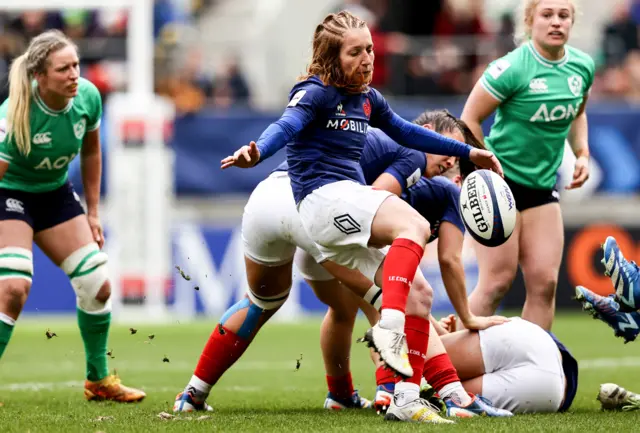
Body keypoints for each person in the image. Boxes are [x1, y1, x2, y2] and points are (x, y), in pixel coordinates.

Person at [221, 11, 502, 402]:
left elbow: (407, 130)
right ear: (333, 57)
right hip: (319, 206)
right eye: (355, 52)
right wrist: (258, 151)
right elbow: (286, 126)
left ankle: (404, 397)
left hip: (332, 214)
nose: (367, 58)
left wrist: (469, 150)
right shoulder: (316, 92)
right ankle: (396, 354)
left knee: (397, 297)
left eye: (370, 49)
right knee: (411, 235)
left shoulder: (367, 100)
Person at [174, 109, 492, 424]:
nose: (451, 160)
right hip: (314, 210)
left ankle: (193, 393)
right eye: (447, 146)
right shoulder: (411, 153)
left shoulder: (367, 132)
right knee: (408, 295)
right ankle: (449, 395)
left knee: (273, 303)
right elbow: (373, 200)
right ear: (423, 130)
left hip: (268, 198)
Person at [0, 30, 145, 402]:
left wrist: (94, 213)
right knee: (14, 287)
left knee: (99, 284)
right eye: (63, 68)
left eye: (76, 65)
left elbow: (92, 153)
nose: (74, 74)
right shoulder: (13, 112)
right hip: (11, 194)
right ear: (39, 76)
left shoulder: (88, 97)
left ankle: (97, 381)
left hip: (55, 194)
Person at [460, 0, 595, 330]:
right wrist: (484, 172)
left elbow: (577, 112)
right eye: (547, 15)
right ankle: (445, 368)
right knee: (497, 283)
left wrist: (582, 153)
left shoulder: (582, 66)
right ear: (530, 21)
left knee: (544, 284)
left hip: (542, 189)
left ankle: (535, 370)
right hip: (500, 186)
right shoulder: (512, 68)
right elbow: (469, 119)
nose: (556, 22)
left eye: (563, 16)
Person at [434, 315, 578, 414]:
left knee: (421, 390)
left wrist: (437, 335)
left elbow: (418, 298)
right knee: (432, 395)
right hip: (553, 391)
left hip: (524, 343)